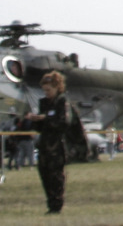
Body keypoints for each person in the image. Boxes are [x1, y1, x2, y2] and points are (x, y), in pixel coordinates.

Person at [22, 70, 86, 214]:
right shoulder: (43, 103)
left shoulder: (63, 102)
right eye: (44, 90)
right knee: (44, 174)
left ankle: (56, 206)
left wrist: (45, 119)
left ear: (58, 87)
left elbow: (64, 122)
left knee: (56, 176)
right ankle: (50, 203)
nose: (46, 93)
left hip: (59, 146)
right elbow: (40, 127)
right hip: (45, 145)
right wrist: (34, 120)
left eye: (49, 90)